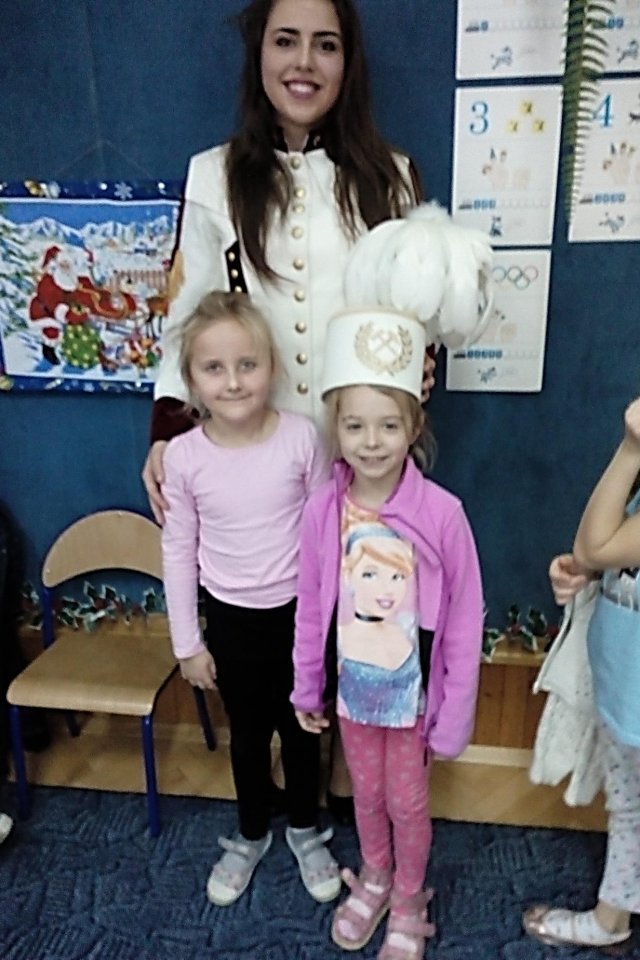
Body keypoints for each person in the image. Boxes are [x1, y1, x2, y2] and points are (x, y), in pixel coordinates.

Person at [142, 0, 435, 823]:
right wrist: (167, 429)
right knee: (274, 617)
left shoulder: (393, 176)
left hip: (362, 450)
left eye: (326, 44)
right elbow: (187, 315)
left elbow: (417, 314)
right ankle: (285, 756)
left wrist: (419, 372)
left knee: (366, 610)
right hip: (257, 454)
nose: (304, 62)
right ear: (259, 55)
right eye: (286, 41)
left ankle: (348, 772)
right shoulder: (213, 175)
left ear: (348, 62)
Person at [291, 302, 484, 958]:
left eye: (388, 425)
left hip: (412, 704)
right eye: (354, 425)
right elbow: (310, 606)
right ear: (336, 429)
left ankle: (407, 894)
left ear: (414, 426)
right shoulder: (324, 511)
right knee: (366, 795)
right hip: (354, 695)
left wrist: (455, 714)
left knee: (407, 802)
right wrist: (306, 686)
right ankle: (375, 876)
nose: (370, 442)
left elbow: (464, 620)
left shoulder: (442, 514)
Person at [161, 289, 341, 907]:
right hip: (231, 621)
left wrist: (328, 625)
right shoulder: (184, 457)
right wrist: (187, 644)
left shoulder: (302, 439)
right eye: (214, 368)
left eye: (247, 365)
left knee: (301, 729)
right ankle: (251, 831)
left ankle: (304, 828)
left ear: (272, 367)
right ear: (192, 380)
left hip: (299, 617)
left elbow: (325, 535)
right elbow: (178, 550)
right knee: (248, 734)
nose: (233, 381)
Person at [523, 396, 640, 951]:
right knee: (629, 807)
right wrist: (589, 577)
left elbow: (593, 545)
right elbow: (599, 553)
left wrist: (632, 446)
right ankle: (612, 918)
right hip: (623, 696)